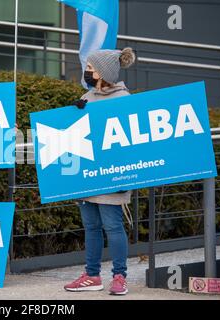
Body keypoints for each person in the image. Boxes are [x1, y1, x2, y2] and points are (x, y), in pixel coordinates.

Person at [63, 48, 136, 295]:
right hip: (87, 176)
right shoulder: (88, 96)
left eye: (91, 69)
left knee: (113, 226)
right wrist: (72, 115)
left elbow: (131, 141)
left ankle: (119, 276)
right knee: (91, 226)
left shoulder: (124, 99)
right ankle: (92, 275)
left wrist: (125, 176)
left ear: (104, 72)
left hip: (112, 176)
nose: (87, 73)